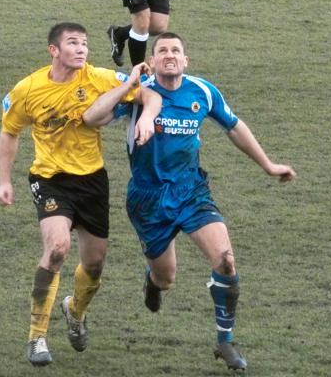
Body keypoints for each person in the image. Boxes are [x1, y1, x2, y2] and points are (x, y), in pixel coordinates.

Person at [83, 32, 296, 372]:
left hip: (191, 191)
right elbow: (92, 118)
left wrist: (269, 165)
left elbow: (235, 127)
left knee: (225, 261)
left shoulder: (202, 91)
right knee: (166, 277)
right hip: (148, 199)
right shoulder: (139, 92)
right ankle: (153, 282)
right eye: (162, 51)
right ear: (152, 61)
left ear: (186, 60)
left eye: (176, 50)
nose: (170, 55)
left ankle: (224, 341)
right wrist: (127, 86)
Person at [0, 22, 161, 367]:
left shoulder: (98, 78)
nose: (82, 49)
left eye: (84, 43)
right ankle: (37, 336)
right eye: (73, 43)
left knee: (95, 264)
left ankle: (75, 310)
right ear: (53, 50)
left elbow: (148, 92)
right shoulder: (29, 89)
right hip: (50, 178)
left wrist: (146, 115)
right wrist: (4, 180)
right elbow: (9, 133)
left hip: (92, 181)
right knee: (57, 248)